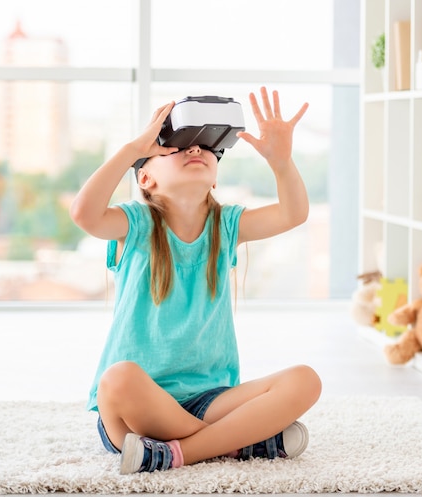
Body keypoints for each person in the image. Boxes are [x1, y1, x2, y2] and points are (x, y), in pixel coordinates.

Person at [70, 86, 322, 474]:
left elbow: (294, 213)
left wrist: (281, 162)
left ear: (217, 177)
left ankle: (178, 453)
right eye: (176, 147)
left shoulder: (227, 225)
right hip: (137, 410)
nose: (195, 150)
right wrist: (130, 151)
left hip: (211, 399)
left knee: (305, 381)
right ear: (146, 178)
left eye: (207, 149)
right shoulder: (136, 224)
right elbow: (84, 214)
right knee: (118, 378)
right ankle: (236, 443)